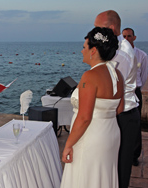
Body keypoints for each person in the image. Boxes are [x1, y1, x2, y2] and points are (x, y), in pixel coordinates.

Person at [60, 27, 124, 188]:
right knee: (102, 177)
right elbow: (119, 108)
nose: (82, 51)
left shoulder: (90, 76)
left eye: (84, 47)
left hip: (91, 137)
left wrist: (68, 145)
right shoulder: (117, 75)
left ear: (93, 50)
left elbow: (84, 118)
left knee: (84, 178)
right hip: (111, 134)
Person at [94, 10, 140, 188]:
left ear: (111, 28)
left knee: (121, 165)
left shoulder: (121, 53)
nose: (95, 32)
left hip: (124, 114)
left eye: (98, 28)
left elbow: (112, 89)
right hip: (118, 112)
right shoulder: (113, 48)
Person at [122, 27, 148, 166]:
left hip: (135, 92)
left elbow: (143, 76)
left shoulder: (142, 55)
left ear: (134, 37)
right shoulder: (119, 54)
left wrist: (136, 88)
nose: (126, 39)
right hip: (121, 93)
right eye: (124, 36)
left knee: (136, 125)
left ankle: (134, 155)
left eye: (129, 36)